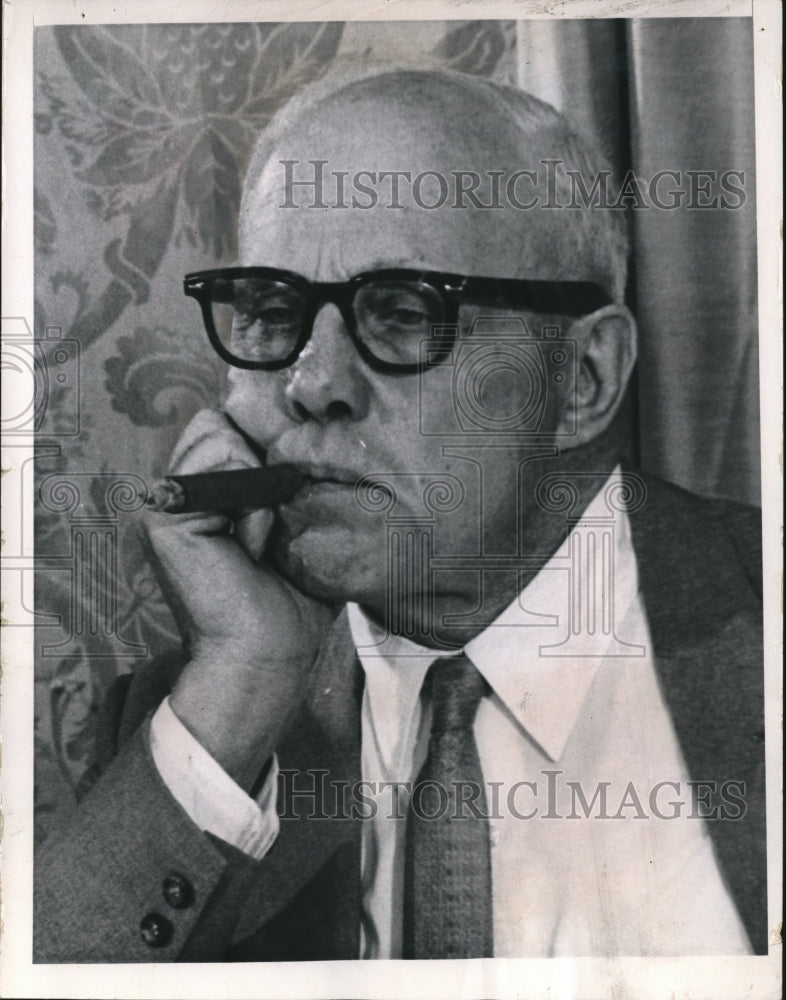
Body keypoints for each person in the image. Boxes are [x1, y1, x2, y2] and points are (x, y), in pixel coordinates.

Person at [34, 66, 765, 962]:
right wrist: (243, 681)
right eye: (271, 310)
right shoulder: (195, 722)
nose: (310, 384)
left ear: (583, 378)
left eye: (404, 312)